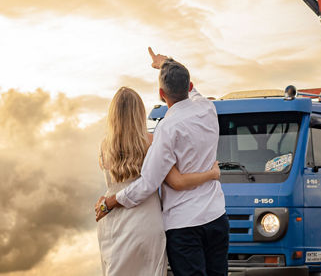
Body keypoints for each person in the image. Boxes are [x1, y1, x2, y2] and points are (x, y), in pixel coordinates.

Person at [96, 48, 229, 276]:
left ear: (161, 94)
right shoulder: (207, 107)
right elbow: (173, 180)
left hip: (183, 223)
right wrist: (166, 62)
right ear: (188, 87)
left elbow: (150, 183)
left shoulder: (166, 128)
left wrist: (110, 202)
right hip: (216, 215)